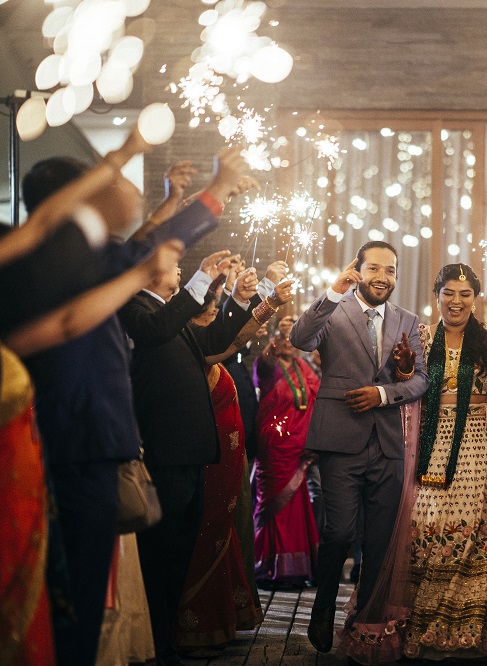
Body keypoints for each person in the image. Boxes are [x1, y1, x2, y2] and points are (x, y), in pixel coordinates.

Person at [21, 145, 256, 666]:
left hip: (98, 441)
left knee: (84, 590)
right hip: (72, 440)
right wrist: (211, 194)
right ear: (73, 205)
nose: (116, 195)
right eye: (102, 188)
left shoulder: (87, 260)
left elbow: (150, 243)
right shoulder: (54, 264)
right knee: (71, 589)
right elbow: (147, 252)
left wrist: (192, 197)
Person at [118, 249, 282, 664]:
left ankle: (167, 636)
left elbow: (215, 341)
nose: (180, 268)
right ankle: (158, 642)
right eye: (173, 264)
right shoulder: (136, 309)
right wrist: (202, 282)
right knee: (163, 553)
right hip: (165, 450)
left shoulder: (170, 314)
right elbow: (157, 330)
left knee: (178, 551)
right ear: (150, 272)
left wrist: (244, 300)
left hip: (190, 451)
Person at [289, 241, 428, 654]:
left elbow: (420, 379)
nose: (382, 277)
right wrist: (332, 292)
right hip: (339, 438)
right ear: (358, 270)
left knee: (381, 541)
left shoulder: (408, 320)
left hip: (387, 443)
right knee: (339, 531)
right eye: (374, 269)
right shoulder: (334, 310)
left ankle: (366, 627)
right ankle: (324, 604)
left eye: (390, 270)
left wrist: (383, 395)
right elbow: (300, 338)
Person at [402, 263, 487, 659]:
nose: (456, 301)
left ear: (475, 298)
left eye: (464, 294)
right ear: (437, 295)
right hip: (430, 437)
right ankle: (428, 621)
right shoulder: (421, 336)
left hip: (478, 437)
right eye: (449, 293)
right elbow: (405, 381)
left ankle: (475, 627)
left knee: (481, 524)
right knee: (426, 522)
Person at [252, 324, 321, 586]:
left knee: (296, 505)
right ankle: (271, 567)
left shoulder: (304, 368)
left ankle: (296, 569)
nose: (288, 342)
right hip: (274, 448)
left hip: (298, 448)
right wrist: (270, 349)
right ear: (273, 341)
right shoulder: (268, 366)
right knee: (275, 506)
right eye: (283, 337)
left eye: (293, 337)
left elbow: (316, 396)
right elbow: (265, 361)